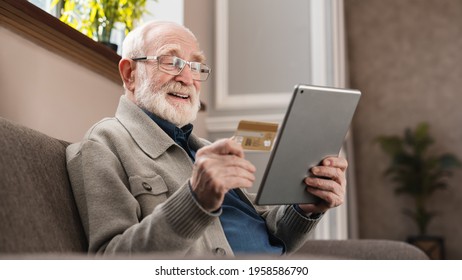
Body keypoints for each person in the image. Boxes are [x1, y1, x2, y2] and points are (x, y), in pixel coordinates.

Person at [66, 20, 348, 257]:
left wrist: (304, 207)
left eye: (196, 66)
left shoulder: (206, 149)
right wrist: (195, 201)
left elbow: (267, 230)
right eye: (171, 61)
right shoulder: (103, 146)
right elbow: (111, 263)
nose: (188, 78)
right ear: (130, 74)